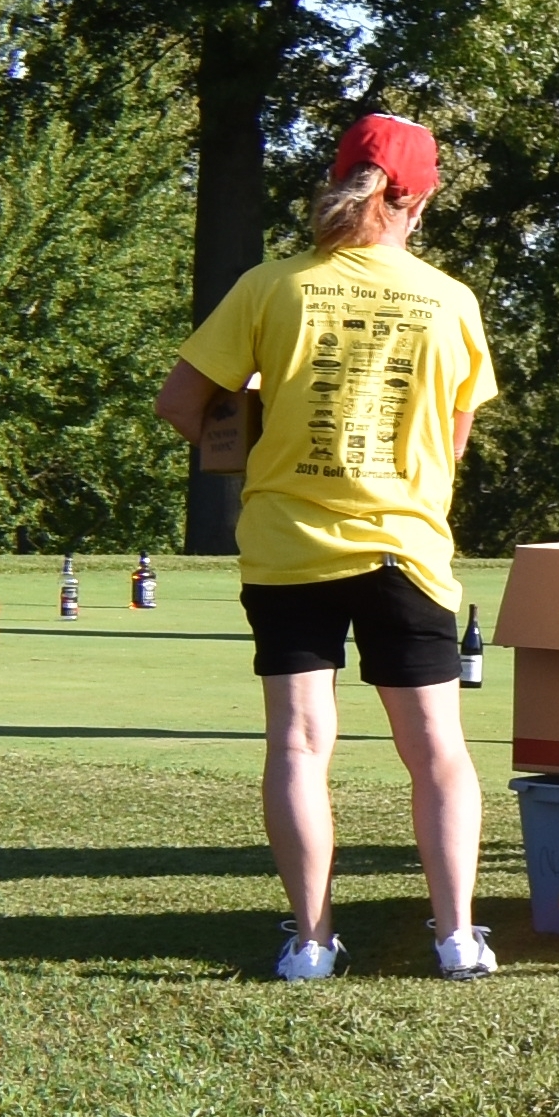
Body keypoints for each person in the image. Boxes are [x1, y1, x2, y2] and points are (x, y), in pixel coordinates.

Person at [153, 114, 499, 983]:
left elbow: (181, 405)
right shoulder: (450, 300)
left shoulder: (271, 286)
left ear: (340, 181)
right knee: (437, 750)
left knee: (300, 744)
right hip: (404, 548)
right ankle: (457, 939)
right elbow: (454, 441)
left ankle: (310, 945)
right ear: (418, 201)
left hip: (287, 546)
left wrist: (259, 430)